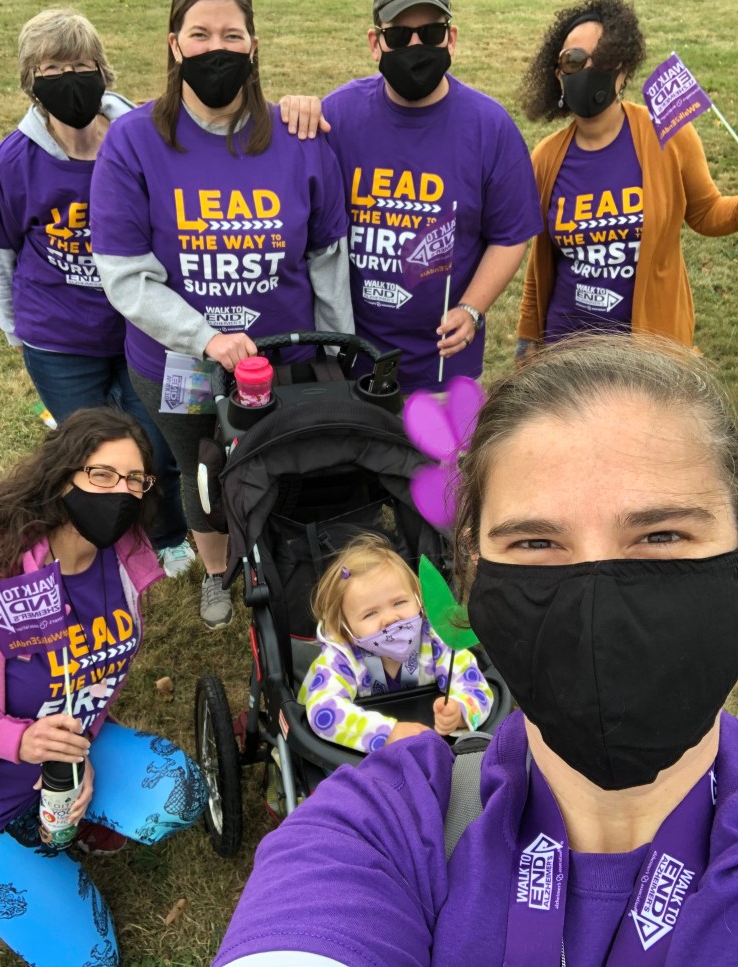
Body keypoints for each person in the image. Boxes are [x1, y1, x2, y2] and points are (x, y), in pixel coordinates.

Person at [214, 334, 738, 966]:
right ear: (472, 567)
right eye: (536, 543)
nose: (598, 604)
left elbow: (462, 671)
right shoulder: (378, 824)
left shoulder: (434, 652)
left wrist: (459, 706)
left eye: (662, 535)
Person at [91, 0, 353, 630]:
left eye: (231, 35)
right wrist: (205, 338)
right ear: (174, 44)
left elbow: (327, 259)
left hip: (283, 358)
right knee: (199, 468)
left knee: (287, 461)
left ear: (253, 45)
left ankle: (286, 557)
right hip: (177, 362)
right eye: (200, 34)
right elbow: (125, 274)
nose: (216, 48)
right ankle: (216, 570)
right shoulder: (134, 142)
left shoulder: (298, 137)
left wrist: (335, 351)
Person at [0, 407, 206, 967]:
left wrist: (81, 755)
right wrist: (13, 739)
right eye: (101, 475)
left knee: (182, 793)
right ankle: (9, 856)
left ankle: (59, 827)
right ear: (62, 477)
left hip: (67, 757)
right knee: (90, 959)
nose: (119, 493)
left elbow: (93, 677)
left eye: (134, 479)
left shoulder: (123, 557)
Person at [0, 8, 193, 578]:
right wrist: (13, 326)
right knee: (88, 453)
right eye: (51, 69)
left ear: (102, 69)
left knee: (155, 445)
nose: (68, 78)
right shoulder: (14, 159)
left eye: (79, 64)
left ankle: (168, 534)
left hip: (142, 327)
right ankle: (96, 538)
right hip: (58, 338)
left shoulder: (141, 138)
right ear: (31, 80)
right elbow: (2, 249)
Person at [282, 0, 542, 393]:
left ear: (451, 39)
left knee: (445, 443)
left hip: (444, 370)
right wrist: (293, 111)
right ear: (376, 43)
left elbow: (510, 234)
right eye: (400, 36)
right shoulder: (337, 117)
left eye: (431, 33)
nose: (416, 47)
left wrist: (471, 309)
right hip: (346, 367)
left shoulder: (489, 126)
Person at [515, 0, 738, 361]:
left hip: (650, 358)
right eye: (574, 60)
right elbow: (540, 262)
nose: (588, 70)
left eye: (602, 59)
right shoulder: (546, 158)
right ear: (559, 76)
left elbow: (707, 212)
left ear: (623, 71)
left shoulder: (667, 136)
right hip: (566, 355)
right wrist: (527, 337)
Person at [299, 534, 492, 752]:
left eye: (399, 602)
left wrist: (460, 711)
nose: (390, 619)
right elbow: (323, 710)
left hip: (430, 746)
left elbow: (475, 686)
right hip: (362, 757)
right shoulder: (342, 657)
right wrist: (387, 733)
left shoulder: (436, 640)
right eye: (370, 614)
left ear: (418, 599)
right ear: (345, 627)